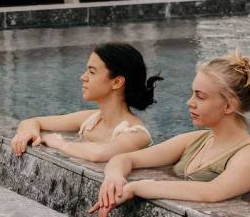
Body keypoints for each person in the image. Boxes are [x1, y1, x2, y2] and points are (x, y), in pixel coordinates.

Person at [91, 50, 250, 217]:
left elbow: (212, 192)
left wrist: (136, 188)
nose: (189, 102)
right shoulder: (195, 140)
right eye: (192, 93)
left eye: (200, 96)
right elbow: (126, 158)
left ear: (228, 106)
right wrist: (114, 177)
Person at [10, 42, 161, 163]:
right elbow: (32, 121)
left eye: (92, 72)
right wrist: (29, 132)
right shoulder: (91, 119)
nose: (83, 77)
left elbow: (99, 154)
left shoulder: (137, 134)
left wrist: (58, 142)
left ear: (116, 82)